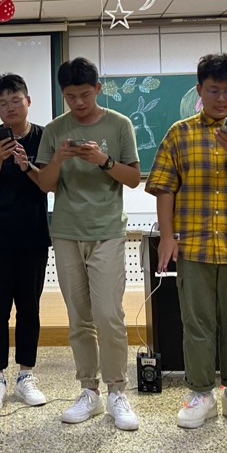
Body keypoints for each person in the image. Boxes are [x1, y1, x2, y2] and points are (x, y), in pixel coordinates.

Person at [145, 53, 227, 432]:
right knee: (197, 324)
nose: (222, 98)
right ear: (199, 90)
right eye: (214, 90)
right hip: (194, 245)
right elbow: (165, 188)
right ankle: (201, 393)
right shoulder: (179, 133)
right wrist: (166, 237)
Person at [34, 57, 141, 431]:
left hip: (107, 231)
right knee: (79, 317)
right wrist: (58, 158)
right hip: (66, 232)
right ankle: (88, 390)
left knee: (109, 315)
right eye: (70, 96)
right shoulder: (54, 130)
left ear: (97, 88)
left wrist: (103, 160)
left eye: (84, 94)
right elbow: (45, 184)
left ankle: (117, 391)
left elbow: (133, 179)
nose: (78, 102)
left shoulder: (119, 124)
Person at [0, 74, 50, 412]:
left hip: (33, 236)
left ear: (28, 101)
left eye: (15, 100)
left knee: (30, 308)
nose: (9, 107)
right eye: (2, 103)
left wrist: (26, 165)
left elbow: (48, 184)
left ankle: (26, 376)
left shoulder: (44, 136)